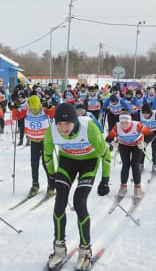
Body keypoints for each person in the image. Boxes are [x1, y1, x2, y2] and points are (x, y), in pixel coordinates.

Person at [44, 103, 111, 271]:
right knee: (60, 202)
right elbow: (47, 155)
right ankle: (59, 249)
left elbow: (106, 154)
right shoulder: (51, 130)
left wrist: (105, 179)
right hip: (67, 163)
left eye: (67, 123)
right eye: (60, 124)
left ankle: (85, 249)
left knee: (79, 201)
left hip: (89, 163)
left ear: (75, 121)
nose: (63, 128)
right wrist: (51, 176)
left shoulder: (88, 128)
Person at [14, 95, 56, 197]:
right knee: (34, 163)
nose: (34, 110)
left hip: (46, 141)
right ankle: (35, 184)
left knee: (46, 163)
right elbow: (15, 117)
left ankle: (51, 184)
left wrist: (50, 107)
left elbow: (54, 114)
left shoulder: (44, 109)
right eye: (33, 109)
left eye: (36, 108)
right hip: (34, 141)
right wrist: (15, 108)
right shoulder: (27, 110)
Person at [106, 111, 153, 200]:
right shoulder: (117, 126)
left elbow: (151, 135)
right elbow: (108, 138)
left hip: (137, 145)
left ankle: (137, 188)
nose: (124, 125)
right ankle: (123, 187)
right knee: (125, 165)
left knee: (135, 165)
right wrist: (113, 142)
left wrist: (144, 143)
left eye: (126, 122)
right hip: (124, 145)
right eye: (122, 122)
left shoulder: (137, 125)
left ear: (130, 121)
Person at [140, 103, 156, 171]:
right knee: (141, 147)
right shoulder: (139, 114)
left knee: (155, 148)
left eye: (147, 113)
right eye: (144, 113)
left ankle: (155, 164)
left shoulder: (155, 115)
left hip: (154, 132)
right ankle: (141, 164)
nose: (145, 115)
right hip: (145, 132)